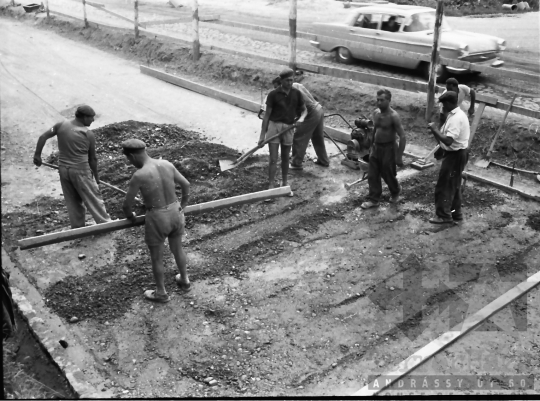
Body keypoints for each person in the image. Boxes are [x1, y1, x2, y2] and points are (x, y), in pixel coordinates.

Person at [122, 139, 191, 303]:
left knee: (157, 257)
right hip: (176, 211)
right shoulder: (166, 164)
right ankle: (185, 280)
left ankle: (161, 292)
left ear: (132, 156)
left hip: (157, 217)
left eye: (129, 159)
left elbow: (126, 205)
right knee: (177, 248)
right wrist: (183, 206)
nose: (130, 163)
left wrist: (131, 216)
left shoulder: (139, 175)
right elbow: (186, 185)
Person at [33, 105, 111, 229]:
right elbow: (93, 159)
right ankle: (105, 224)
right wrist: (96, 177)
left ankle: (77, 226)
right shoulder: (87, 134)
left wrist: (37, 155)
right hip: (80, 171)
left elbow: (43, 137)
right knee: (93, 198)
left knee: (73, 201)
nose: (93, 120)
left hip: (63, 170)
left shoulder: (60, 125)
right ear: (85, 117)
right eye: (91, 118)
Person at [259, 68, 307, 192]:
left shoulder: (296, 93)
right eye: (287, 81)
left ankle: (284, 183)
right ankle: (271, 185)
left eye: (291, 80)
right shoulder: (273, 95)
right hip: (274, 127)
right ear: (281, 80)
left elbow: (304, 110)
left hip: (289, 128)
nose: (289, 83)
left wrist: (301, 118)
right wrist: (262, 136)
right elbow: (267, 116)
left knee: (286, 158)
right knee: (273, 158)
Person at [427, 91, 470, 224]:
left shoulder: (456, 118)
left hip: (455, 155)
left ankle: (443, 215)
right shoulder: (455, 115)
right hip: (455, 154)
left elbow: (449, 141)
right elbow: (444, 140)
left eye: (444, 104)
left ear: (451, 103)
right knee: (454, 185)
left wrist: (435, 130)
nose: (443, 107)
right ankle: (456, 214)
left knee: (445, 185)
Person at [361, 89, 407, 209]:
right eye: (377, 100)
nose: (379, 102)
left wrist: (399, 156)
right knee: (372, 174)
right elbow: (374, 130)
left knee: (388, 173)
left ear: (389, 100)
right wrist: (371, 146)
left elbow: (402, 136)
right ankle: (374, 199)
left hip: (389, 148)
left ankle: (396, 191)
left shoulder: (393, 116)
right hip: (377, 147)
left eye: (382, 100)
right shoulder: (376, 113)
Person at [290, 79, 330, 170]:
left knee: (299, 137)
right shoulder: (296, 85)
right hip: (318, 109)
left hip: (311, 113)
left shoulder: (290, 92)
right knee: (317, 137)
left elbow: (300, 108)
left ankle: (296, 163)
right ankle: (323, 160)